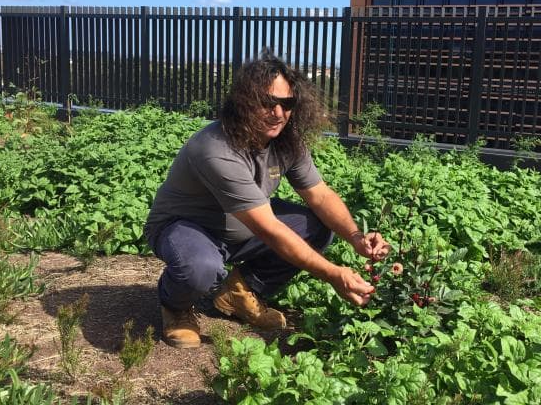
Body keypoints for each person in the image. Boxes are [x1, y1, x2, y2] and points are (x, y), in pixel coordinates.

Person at [144, 53, 390, 348]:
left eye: (287, 104)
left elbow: (320, 195)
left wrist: (355, 237)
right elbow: (269, 230)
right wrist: (333, 274)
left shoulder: (287, 143)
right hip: (186, 228)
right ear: (244, 102)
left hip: (241, 226)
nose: (278, 112)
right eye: (267, 102)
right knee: (200, 268)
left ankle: (237, 292)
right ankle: (175, 305)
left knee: (316, 227)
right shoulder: (216, 148)